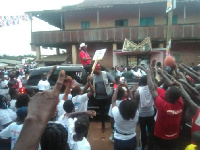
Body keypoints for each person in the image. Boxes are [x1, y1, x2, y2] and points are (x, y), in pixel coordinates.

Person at [14, 70, 66, 150]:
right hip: (47, 100)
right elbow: (43, 93)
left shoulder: (45, 80)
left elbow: (48, 75)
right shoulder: (41, 83)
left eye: (46, 75)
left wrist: (52, 69)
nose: (46, 76)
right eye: (44, 76)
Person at [146, 68, 183, 150]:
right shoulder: (179, 102)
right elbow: (173, 88)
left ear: (168, 96)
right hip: (174, 138)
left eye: (166, 91)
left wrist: (148, 73)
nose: (164, 91)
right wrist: (163, 75)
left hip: (161, 139)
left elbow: (152, 89)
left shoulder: (163, 106)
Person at [112, 83, 139, 150]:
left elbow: (113, 101)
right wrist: (127, 88)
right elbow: (133, 101)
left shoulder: (117, 113)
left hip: (119, 139)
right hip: (131, 139)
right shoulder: (136, 113)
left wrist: (117, 88)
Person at [91, 63, 115, 131]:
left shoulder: (106, 74)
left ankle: (112, 125)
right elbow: (88, 84)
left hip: (107, 96)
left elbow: (113, 81)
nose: (93, 70)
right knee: (101, 112)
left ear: (98, 69)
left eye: (94, 69)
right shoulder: (93, 76)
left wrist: (114, 88)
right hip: (99, 97)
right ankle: (103, 125)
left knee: (109, 111)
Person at [138, 75, 154, 150]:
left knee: (143, 131)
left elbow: (136, 101)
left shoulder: (139, 90)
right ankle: (150, 146)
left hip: (142, 114)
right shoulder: (152, 89)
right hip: (151, 113)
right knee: (151, 131)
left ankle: (143, 147)